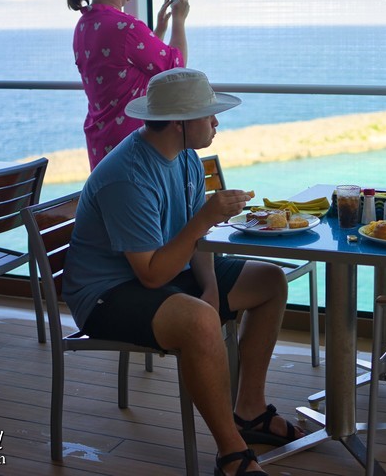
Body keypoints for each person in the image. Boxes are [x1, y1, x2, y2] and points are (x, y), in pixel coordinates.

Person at [63, 68, 303, 476]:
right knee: (199, 321)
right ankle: (231, 454)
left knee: (269, 280)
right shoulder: (128, 176)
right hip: (107, 294)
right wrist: (207, 216)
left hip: (161, 273)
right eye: (208, 115)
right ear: (178, 122)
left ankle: (251, 410)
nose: (216, 122)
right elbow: (152, 275)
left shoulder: (187, 159)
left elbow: (197, 242)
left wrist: (209, 286)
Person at [67, 0, 189, 170]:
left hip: (101, 138)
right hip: (131, 142)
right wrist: (179, 20)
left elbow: (125, 66)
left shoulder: (84, 25)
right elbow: (176, 69)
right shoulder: (126, 27)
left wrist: (158, 32)